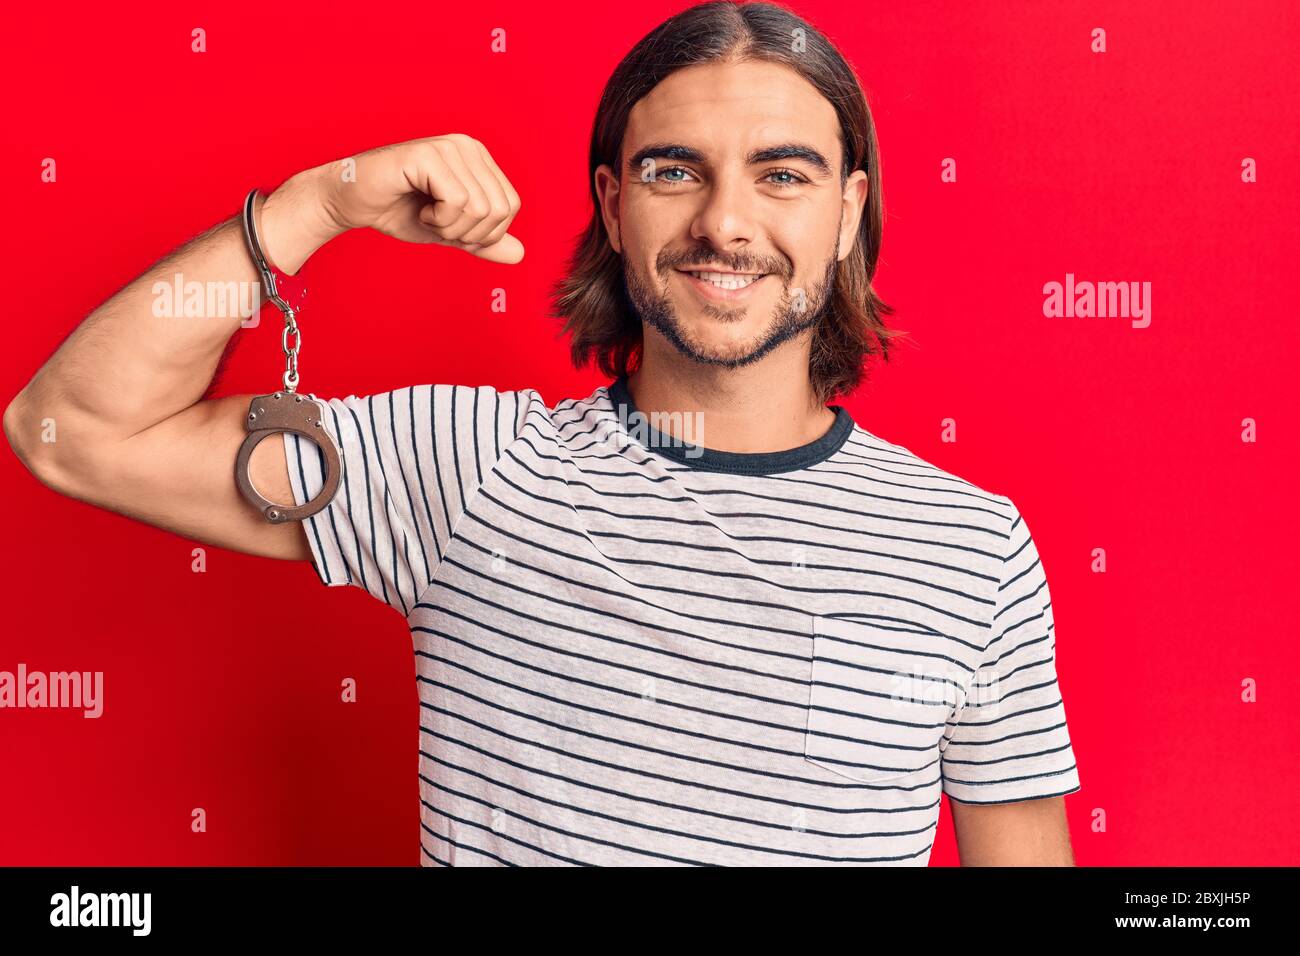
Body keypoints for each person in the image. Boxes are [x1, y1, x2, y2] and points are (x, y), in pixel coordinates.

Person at [4, 0, 1081, 866]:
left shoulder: (971, 550)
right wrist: (316, 205)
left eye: (781, 174)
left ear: (847, 211)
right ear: (613, 207)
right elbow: (71, 430)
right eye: (674, 170)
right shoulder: (467, 468)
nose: (724, 222)